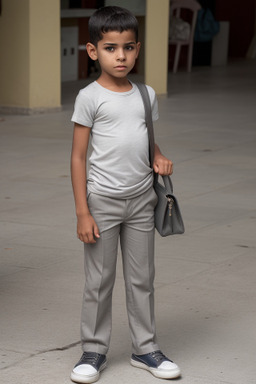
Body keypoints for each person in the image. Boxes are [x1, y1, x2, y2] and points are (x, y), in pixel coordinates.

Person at [70, 6, 181, 383]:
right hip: (102, 201)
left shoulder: (146, 94)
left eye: (129, 47)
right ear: (92, 51)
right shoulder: (89, 97)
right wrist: (83, 211)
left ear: (137, 50)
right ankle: (93, 350)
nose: (121, 56)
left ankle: (145, 348)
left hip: (141, 201)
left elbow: (147, 139)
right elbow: (78, 156)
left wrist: (159, 155)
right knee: (99, 280)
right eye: (110, 47)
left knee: (141, 278)